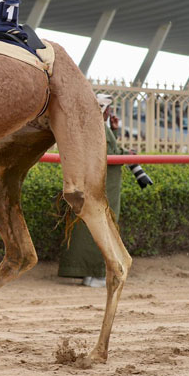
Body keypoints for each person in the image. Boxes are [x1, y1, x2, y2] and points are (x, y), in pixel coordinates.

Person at [58, 93, 126, 288]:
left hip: (92, 186)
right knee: (100, 228)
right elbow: (109, 154)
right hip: (101, 187)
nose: (112, 113)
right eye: (109, 109)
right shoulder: (97, 128)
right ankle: (95, 273)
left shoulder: (96, 128)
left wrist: (115, 130)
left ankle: (86, 271)